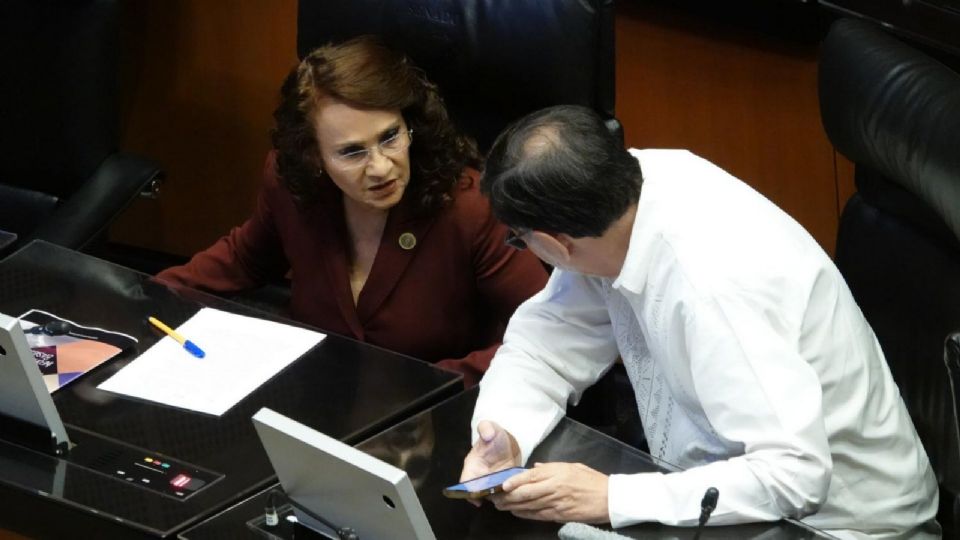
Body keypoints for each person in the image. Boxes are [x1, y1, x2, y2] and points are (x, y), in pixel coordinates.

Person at [459, 105, 939, 538]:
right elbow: (547, 344)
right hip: (721, 499)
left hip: (841, 527)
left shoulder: (711, 286)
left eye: (519, 240)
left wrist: (611, 497)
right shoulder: (619, 195)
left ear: (555, 244)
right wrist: (502, 432)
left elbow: (795, 474)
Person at [156, 36, 547, 387]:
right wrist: (142, 301)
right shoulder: (293, 184)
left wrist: (436, 385)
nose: (380, 167)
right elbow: (244, 259)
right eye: (351, 151)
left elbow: (544, 335)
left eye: (390, 137)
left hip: (432, 419)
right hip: (317, 393)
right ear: (314, 156)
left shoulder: (469, 208)